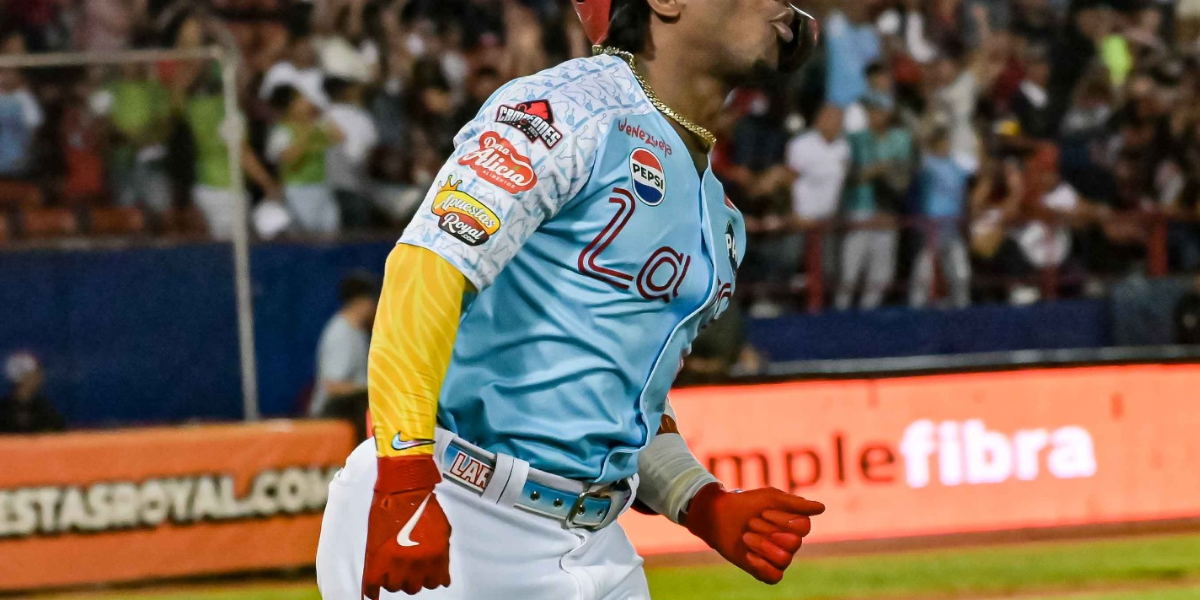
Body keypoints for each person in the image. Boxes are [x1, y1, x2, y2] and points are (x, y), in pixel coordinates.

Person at [315, 1, 824, 599]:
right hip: (455, 503)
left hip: (595, 541)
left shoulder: (722, 216)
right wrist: (404, 479)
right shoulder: (567, 109)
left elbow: (626, 400)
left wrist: (697, 498)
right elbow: (425, 270)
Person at [835, 92, 913, 311]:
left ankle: (868, 314)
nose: (873, 114)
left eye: (877, 110)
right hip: (859, 209)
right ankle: (840, 314)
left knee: (882, 274)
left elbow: (903, 176)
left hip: (887, 212)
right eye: (870, 110)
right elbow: (849, 174)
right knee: (850, 271)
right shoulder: (855, 139)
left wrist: (877, 172)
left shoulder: (901, 138)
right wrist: (878, 169)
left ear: (888, 113)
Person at [784, 103, 850, 301]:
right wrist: (792, 212)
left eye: (839, 120)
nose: (836, 124)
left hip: (827, 221)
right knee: (790, 264)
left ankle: (821, 311)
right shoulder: (801, 145)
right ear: (819, 120)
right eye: (832, 119)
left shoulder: (843, 147)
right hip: (802, 218)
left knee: (827, 271)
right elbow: (788, 180)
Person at [310, 273, 381, 441]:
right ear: (361, 302)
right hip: (331, 411)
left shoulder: (359, 331)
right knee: (366, 400)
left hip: (350, 409)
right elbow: (333, 387)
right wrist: (370, 387)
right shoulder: (341, 332)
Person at [266, 85, 345, 234]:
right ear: (290, 106)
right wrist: (306, 133)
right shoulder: (282, 131)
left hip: (322, 186)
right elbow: (289, 158)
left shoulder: (317, 126)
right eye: (300, 100)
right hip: (298, 189)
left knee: (330, 229)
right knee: (306, 233)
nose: (307, 103)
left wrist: (323, 116)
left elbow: (339, 137)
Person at [909, 128, 972, 308]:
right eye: (942, 143)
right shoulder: (927, 165)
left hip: (952, 226)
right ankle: (915, 306)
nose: (946, 146)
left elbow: (977, 170)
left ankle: (961, 306)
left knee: (961, 272)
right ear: (934, 145)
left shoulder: (956, 166)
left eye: (947, 142)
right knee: (925, 271)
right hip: (932, 225)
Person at [0, 352, 64, 434]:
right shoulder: (4, 410)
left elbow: (58, 433)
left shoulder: (45, 408)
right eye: (33, 374)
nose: (39, 377)